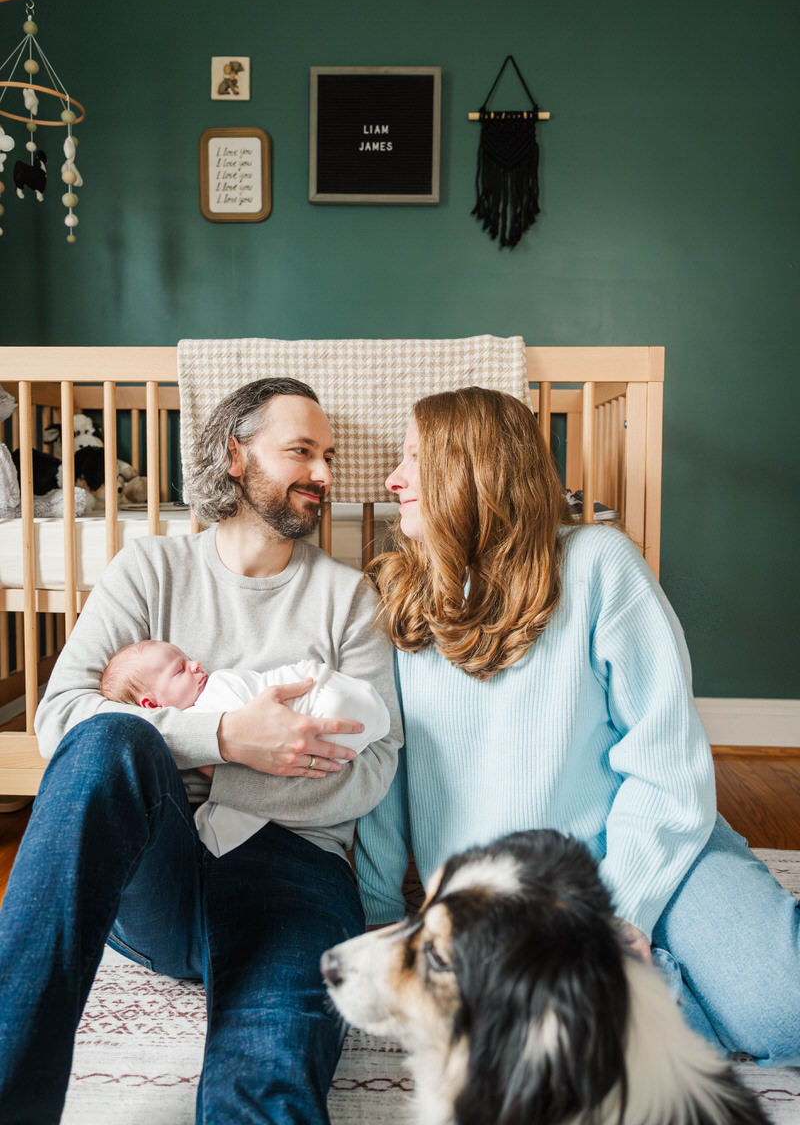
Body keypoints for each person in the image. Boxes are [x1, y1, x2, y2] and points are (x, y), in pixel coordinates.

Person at [353, 385, 800, 1067]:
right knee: (562, 1049)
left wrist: (616, 914)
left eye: (415, 457)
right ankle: (663, 983)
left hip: (660, 848)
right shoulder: (398, 598)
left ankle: (665, 959)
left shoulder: (599, 564)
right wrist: (380, 910)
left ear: (475, 467)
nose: (392, 479)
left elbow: (664, 758)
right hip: (514, 904)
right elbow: (388, 773)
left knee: (784, 1015)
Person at [0, 376, 402, 1125]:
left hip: (297, 869)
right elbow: (63, 720)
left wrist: (238, 782)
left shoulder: (350, 598)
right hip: (158, 871)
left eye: (329, 456)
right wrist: (222, 738)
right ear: (236, 455)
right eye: (300, 451)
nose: (322, 473)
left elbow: (376, 767)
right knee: (109, 738)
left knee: (266, 1077)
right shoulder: (148, 569)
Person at [101, 638, 391, 856]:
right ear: (151, 705)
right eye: (180, 669)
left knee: (219, 827)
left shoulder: (215, 691)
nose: (196, 664)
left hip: (330, 708)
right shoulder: (193, 712)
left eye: (187, 658)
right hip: (355, 709)